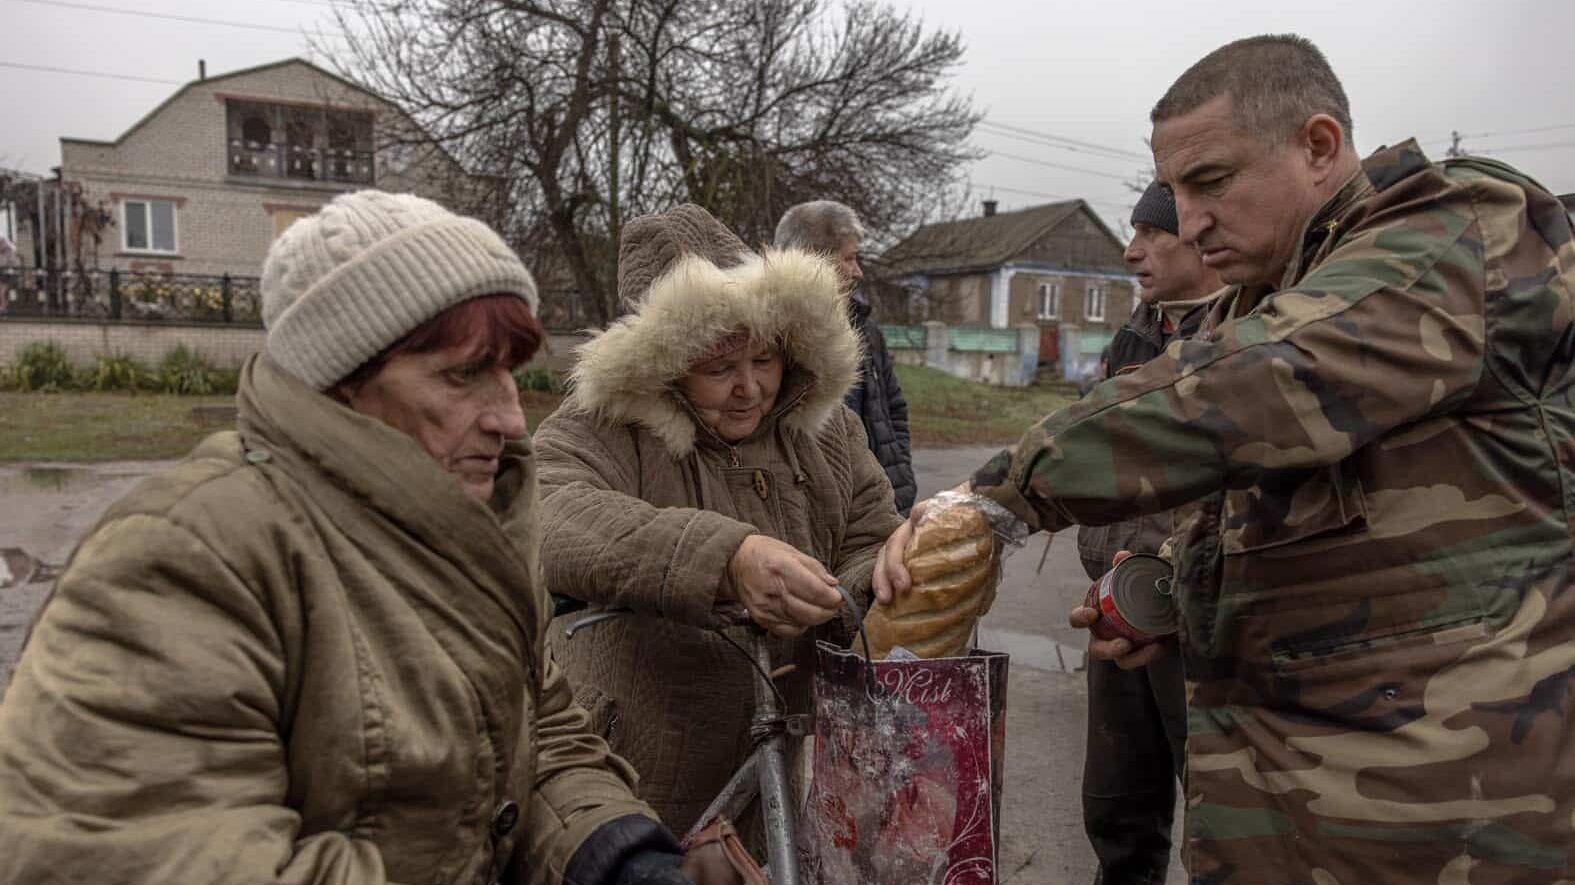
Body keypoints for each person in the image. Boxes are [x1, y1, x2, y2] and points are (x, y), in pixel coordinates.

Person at [876, 35, 1575, 883]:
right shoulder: (1263, 295)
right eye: (1174, 191)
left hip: (1443, 828)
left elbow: (1247, 387)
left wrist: (998, 494)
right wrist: (1178, 589)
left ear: (1317, 146)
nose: (1189, 219)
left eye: (1210, 182)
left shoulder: (1455, 234)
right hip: (1289, 823)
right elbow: (1320, 516)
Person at [0, 191, 702, 885]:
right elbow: (147, 850)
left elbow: (534, 729)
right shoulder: (185, 560)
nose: (510, 419)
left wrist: (613, 852)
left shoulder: (471, 528)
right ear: (340, 381)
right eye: (463, 375)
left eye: (508, 373)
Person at [534, 204, 904, 835]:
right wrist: (726, 559)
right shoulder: (600, 427)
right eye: (717, 368)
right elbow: (550, 515)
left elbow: (868, 532)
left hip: (775, 765)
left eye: (764, 360)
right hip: (629, 768)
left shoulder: (829, 431)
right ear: (665, 364)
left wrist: (870, 583)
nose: (750, 388)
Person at [1076, 180, 1221, 885]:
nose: (1132, 251)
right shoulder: (1135, 333)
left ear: (1200, 235)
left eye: (1150, 234)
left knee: (1219, 813)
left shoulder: (1240, 337)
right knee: (1117, 804)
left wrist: (1167, 575)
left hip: (1192, 615)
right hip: (1114, 603)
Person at [776, 200, 916, 514]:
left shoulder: (865, 327)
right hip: (812, 512)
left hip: (882, 503)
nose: (858, 272)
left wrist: (900, 478)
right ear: (813, 261)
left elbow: (893, 408)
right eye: (849, 258)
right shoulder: (771, 335)